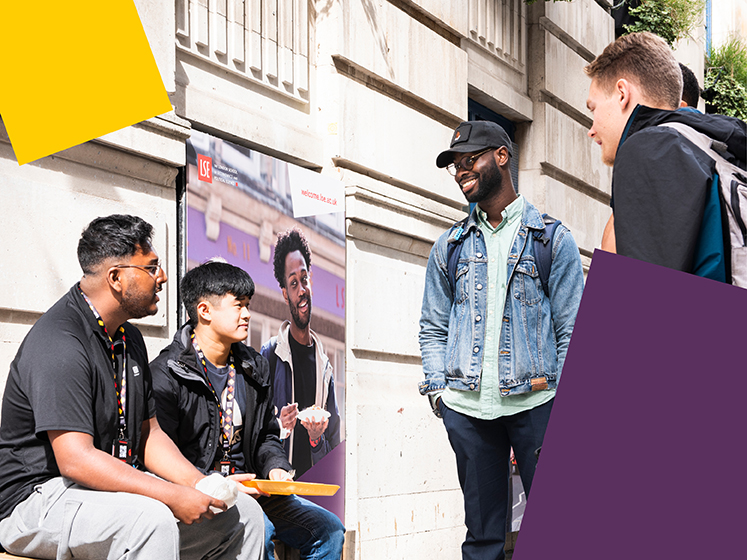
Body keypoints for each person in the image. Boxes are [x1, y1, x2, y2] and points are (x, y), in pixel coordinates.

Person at [0, 215, 264, 560]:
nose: (163, 277)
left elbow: (149, 435)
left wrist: (202, 484)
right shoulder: (60, 341)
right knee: (150, 520)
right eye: (151, 267)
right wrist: (169, 495)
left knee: (241, 513)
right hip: (36, 498)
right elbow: (75, 460)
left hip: (103, 493)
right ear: (117, 278)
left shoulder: (129, 338)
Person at [419, 121, 585, 560]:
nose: (460, 170)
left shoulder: (551, 239)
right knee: (482, 541)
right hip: (470, 412)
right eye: (455, 164)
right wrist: (441, 395)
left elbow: (572, 330)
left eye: (469, 159)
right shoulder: (449, 246)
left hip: (537, 406)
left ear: (502, 156)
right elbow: (433, 326)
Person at [150, 260, 344, 560]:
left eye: (248, 304)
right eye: (238, 305)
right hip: (206, 493)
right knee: (260, 530)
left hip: (256, 489)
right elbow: (161, 459)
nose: (248, 314)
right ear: (205, 311)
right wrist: (218, 484)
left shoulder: (254, 367)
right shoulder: (168, 373)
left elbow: (266, 435)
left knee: (329, 530)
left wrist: (276, 468)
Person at [588, 32, 746, 277]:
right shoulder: (712, 147)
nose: (592, 129)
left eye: (593, 108)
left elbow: (651, 306)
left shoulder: (651, 149)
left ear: (621, 93)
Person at [261, 228, 341, 479]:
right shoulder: (270, 354)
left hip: (314, 489)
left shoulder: (324, 364)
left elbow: (333, 442)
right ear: (285, 294)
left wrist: (317, 440)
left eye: (304, 279)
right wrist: (279, 426)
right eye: (293, 283)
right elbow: (257, 433)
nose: (301, 289)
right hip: (280, 490)